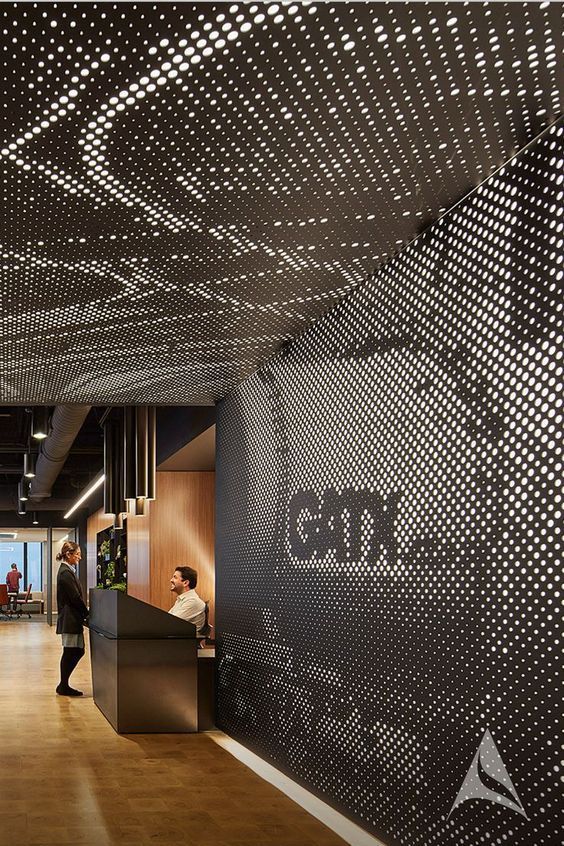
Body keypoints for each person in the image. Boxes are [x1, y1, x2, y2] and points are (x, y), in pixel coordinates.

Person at [55, 541, 88, 697]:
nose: (79, 557)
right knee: (71, 651)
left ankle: (63, 684)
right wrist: (87, 612)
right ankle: (63, 685)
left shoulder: (67, 571)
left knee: (76, 650)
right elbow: (75, 597)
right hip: (70, 618)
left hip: (72, 618)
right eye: (77, 554)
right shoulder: (65, 573)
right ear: (68, 554)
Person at [168, 565, 207, 634]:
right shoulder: (182, 600)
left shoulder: (193, 601)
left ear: (185, 583)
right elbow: (167, 619)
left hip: (184, 643)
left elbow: (170, 623)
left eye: (175, 577)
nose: (171, 580)